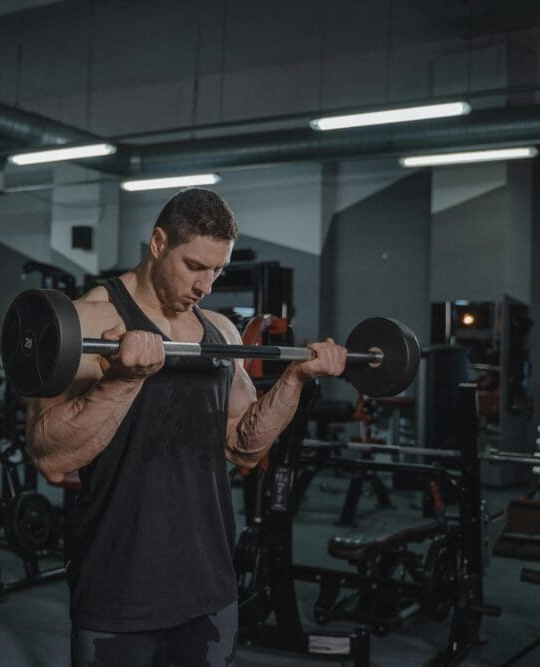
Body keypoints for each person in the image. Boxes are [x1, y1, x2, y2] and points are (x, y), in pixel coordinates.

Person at [25, 188, 347, 666]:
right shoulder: (85, 320)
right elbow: (50, 458)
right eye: (195, 266)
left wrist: (296, 380)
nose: (206, 285)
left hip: (210, 587)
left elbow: (243, 447)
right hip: (119, 586)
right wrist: (124, 379)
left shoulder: (221, 331)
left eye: (217, 270)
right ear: (158, 243)